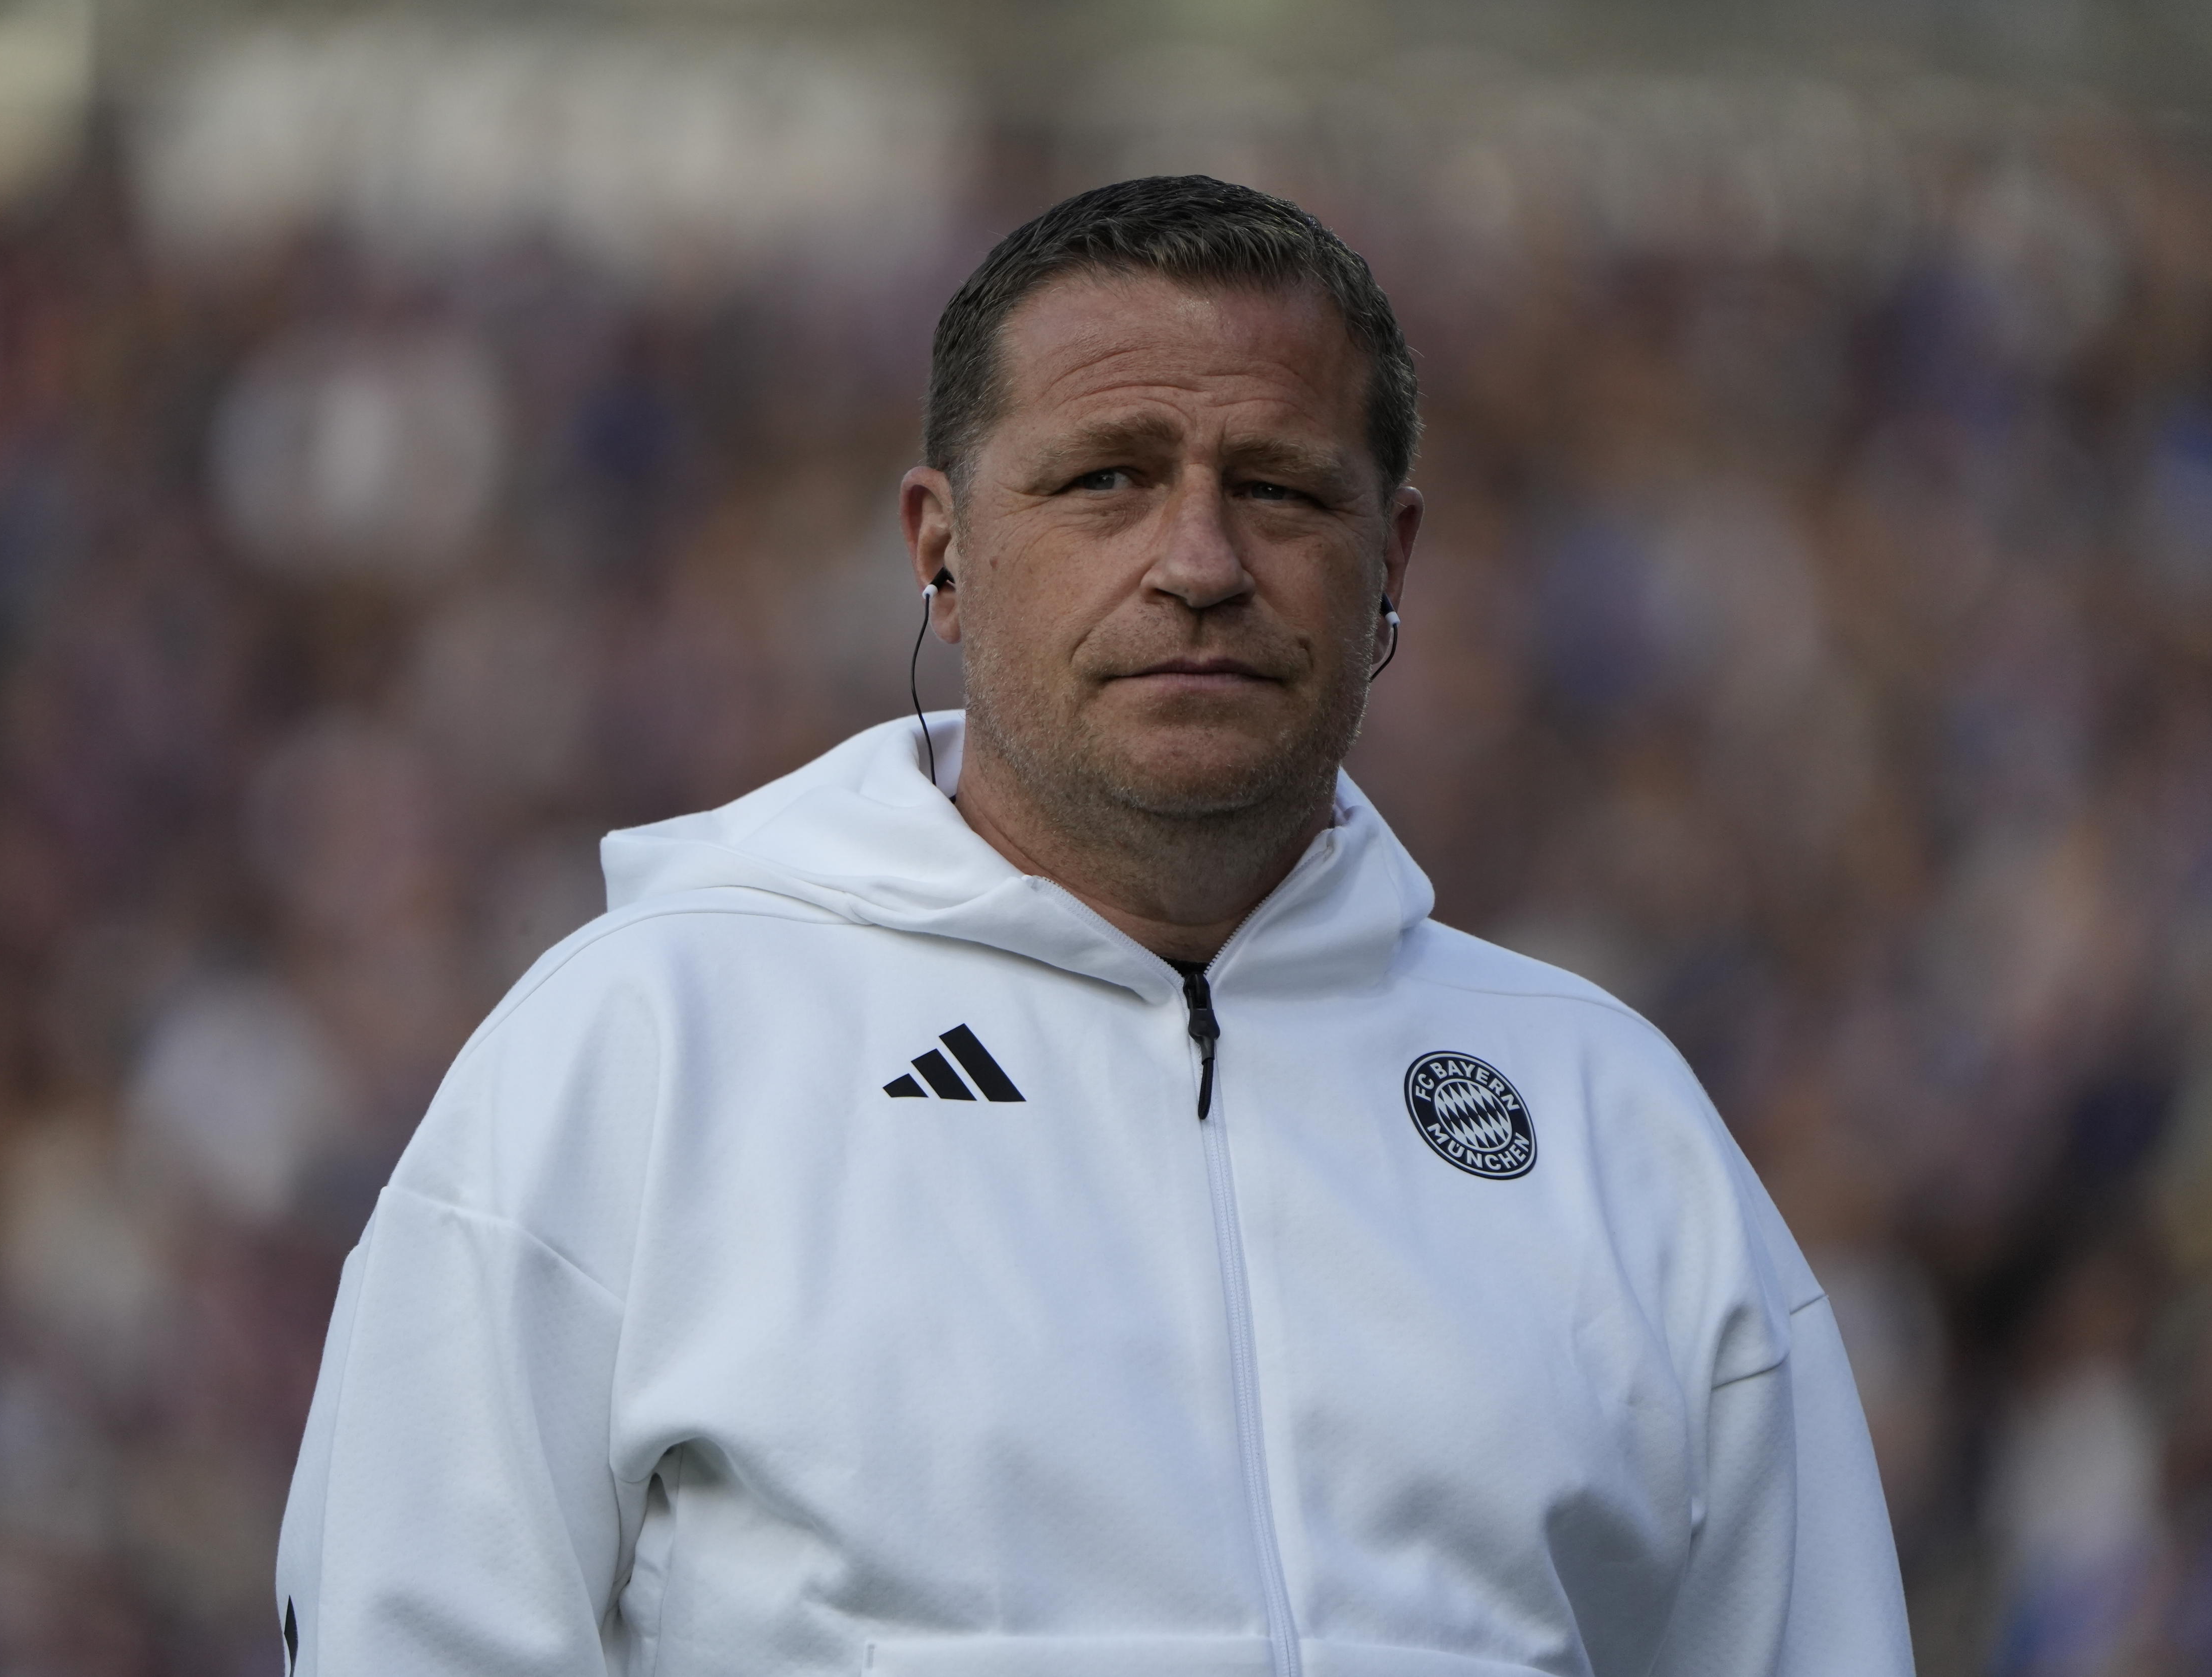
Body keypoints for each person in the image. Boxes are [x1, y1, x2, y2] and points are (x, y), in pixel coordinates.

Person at [275, 176, 1914, 1677]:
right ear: (943, 552)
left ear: (1391, 560)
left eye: (1278, 489)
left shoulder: (1605, 1120)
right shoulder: (639, 1055)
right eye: (1107, 480)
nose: (1199, 561)